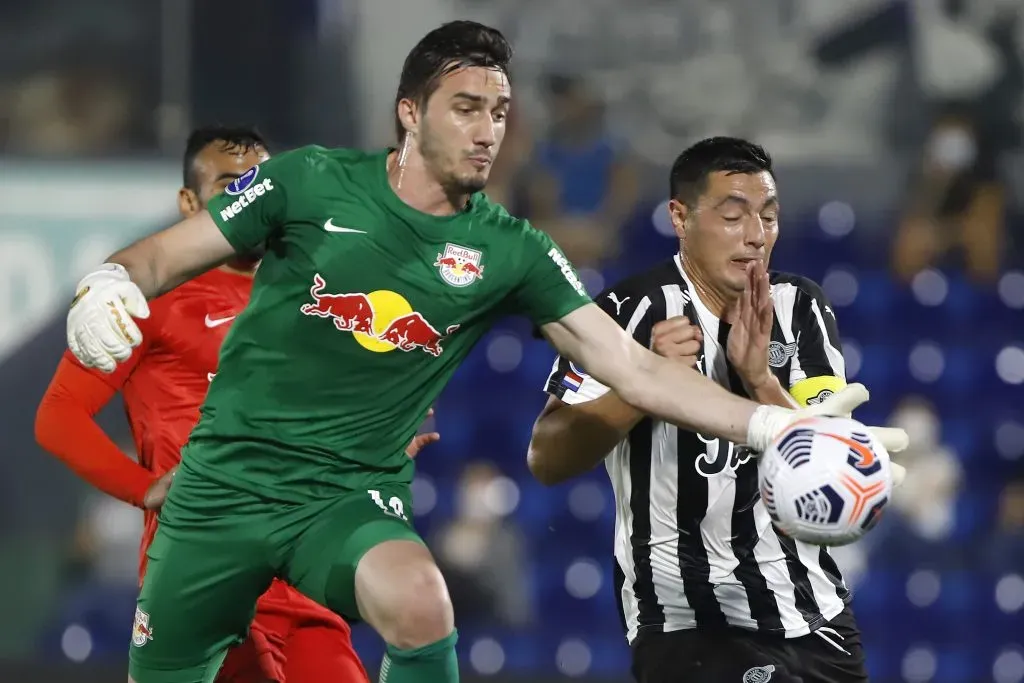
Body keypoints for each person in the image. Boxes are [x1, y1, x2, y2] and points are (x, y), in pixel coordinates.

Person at [62, 23, 905, 683]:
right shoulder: (310, 180)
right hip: (223, 489)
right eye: (467, 107)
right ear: (411, 112)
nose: (488, 130)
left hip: (342, 498)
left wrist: (768, 426)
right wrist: (106, 284)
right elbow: (162, 257)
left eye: (500, 112)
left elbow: (637, 368)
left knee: (422, 602)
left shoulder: (512, 251)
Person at [36, 126, 438, 683]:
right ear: (188, 203)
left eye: (261, 183)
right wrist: (143, 488)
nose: (251, 198)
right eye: (231, 184)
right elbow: (57, 417)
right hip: (208, 583)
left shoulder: (314, 295)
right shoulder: (154, 300)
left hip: (303, 584)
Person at [528, 137, 899, 683]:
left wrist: (759, 378)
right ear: (680, 216)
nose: (756, 235)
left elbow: (825, 455)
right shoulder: (624, 314)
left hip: (813, 613)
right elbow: (546, 455)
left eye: (768, 217)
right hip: (687, 624)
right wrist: (641, 385)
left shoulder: (801, 308)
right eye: (733, 215)